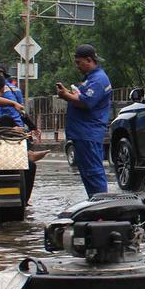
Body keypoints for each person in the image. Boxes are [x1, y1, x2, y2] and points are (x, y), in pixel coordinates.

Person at [56, 44, 112, 198]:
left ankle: (101, 205)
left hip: (89, 133)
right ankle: (95, 203)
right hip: (83, 134)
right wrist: (70, 93)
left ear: (89, 60)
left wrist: (65, 95)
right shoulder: (91, 79)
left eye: (78, 62)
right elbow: (82, 97)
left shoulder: (99, 79)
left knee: (93, 171)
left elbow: (86, 102)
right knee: (88, 172)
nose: (77, 66)